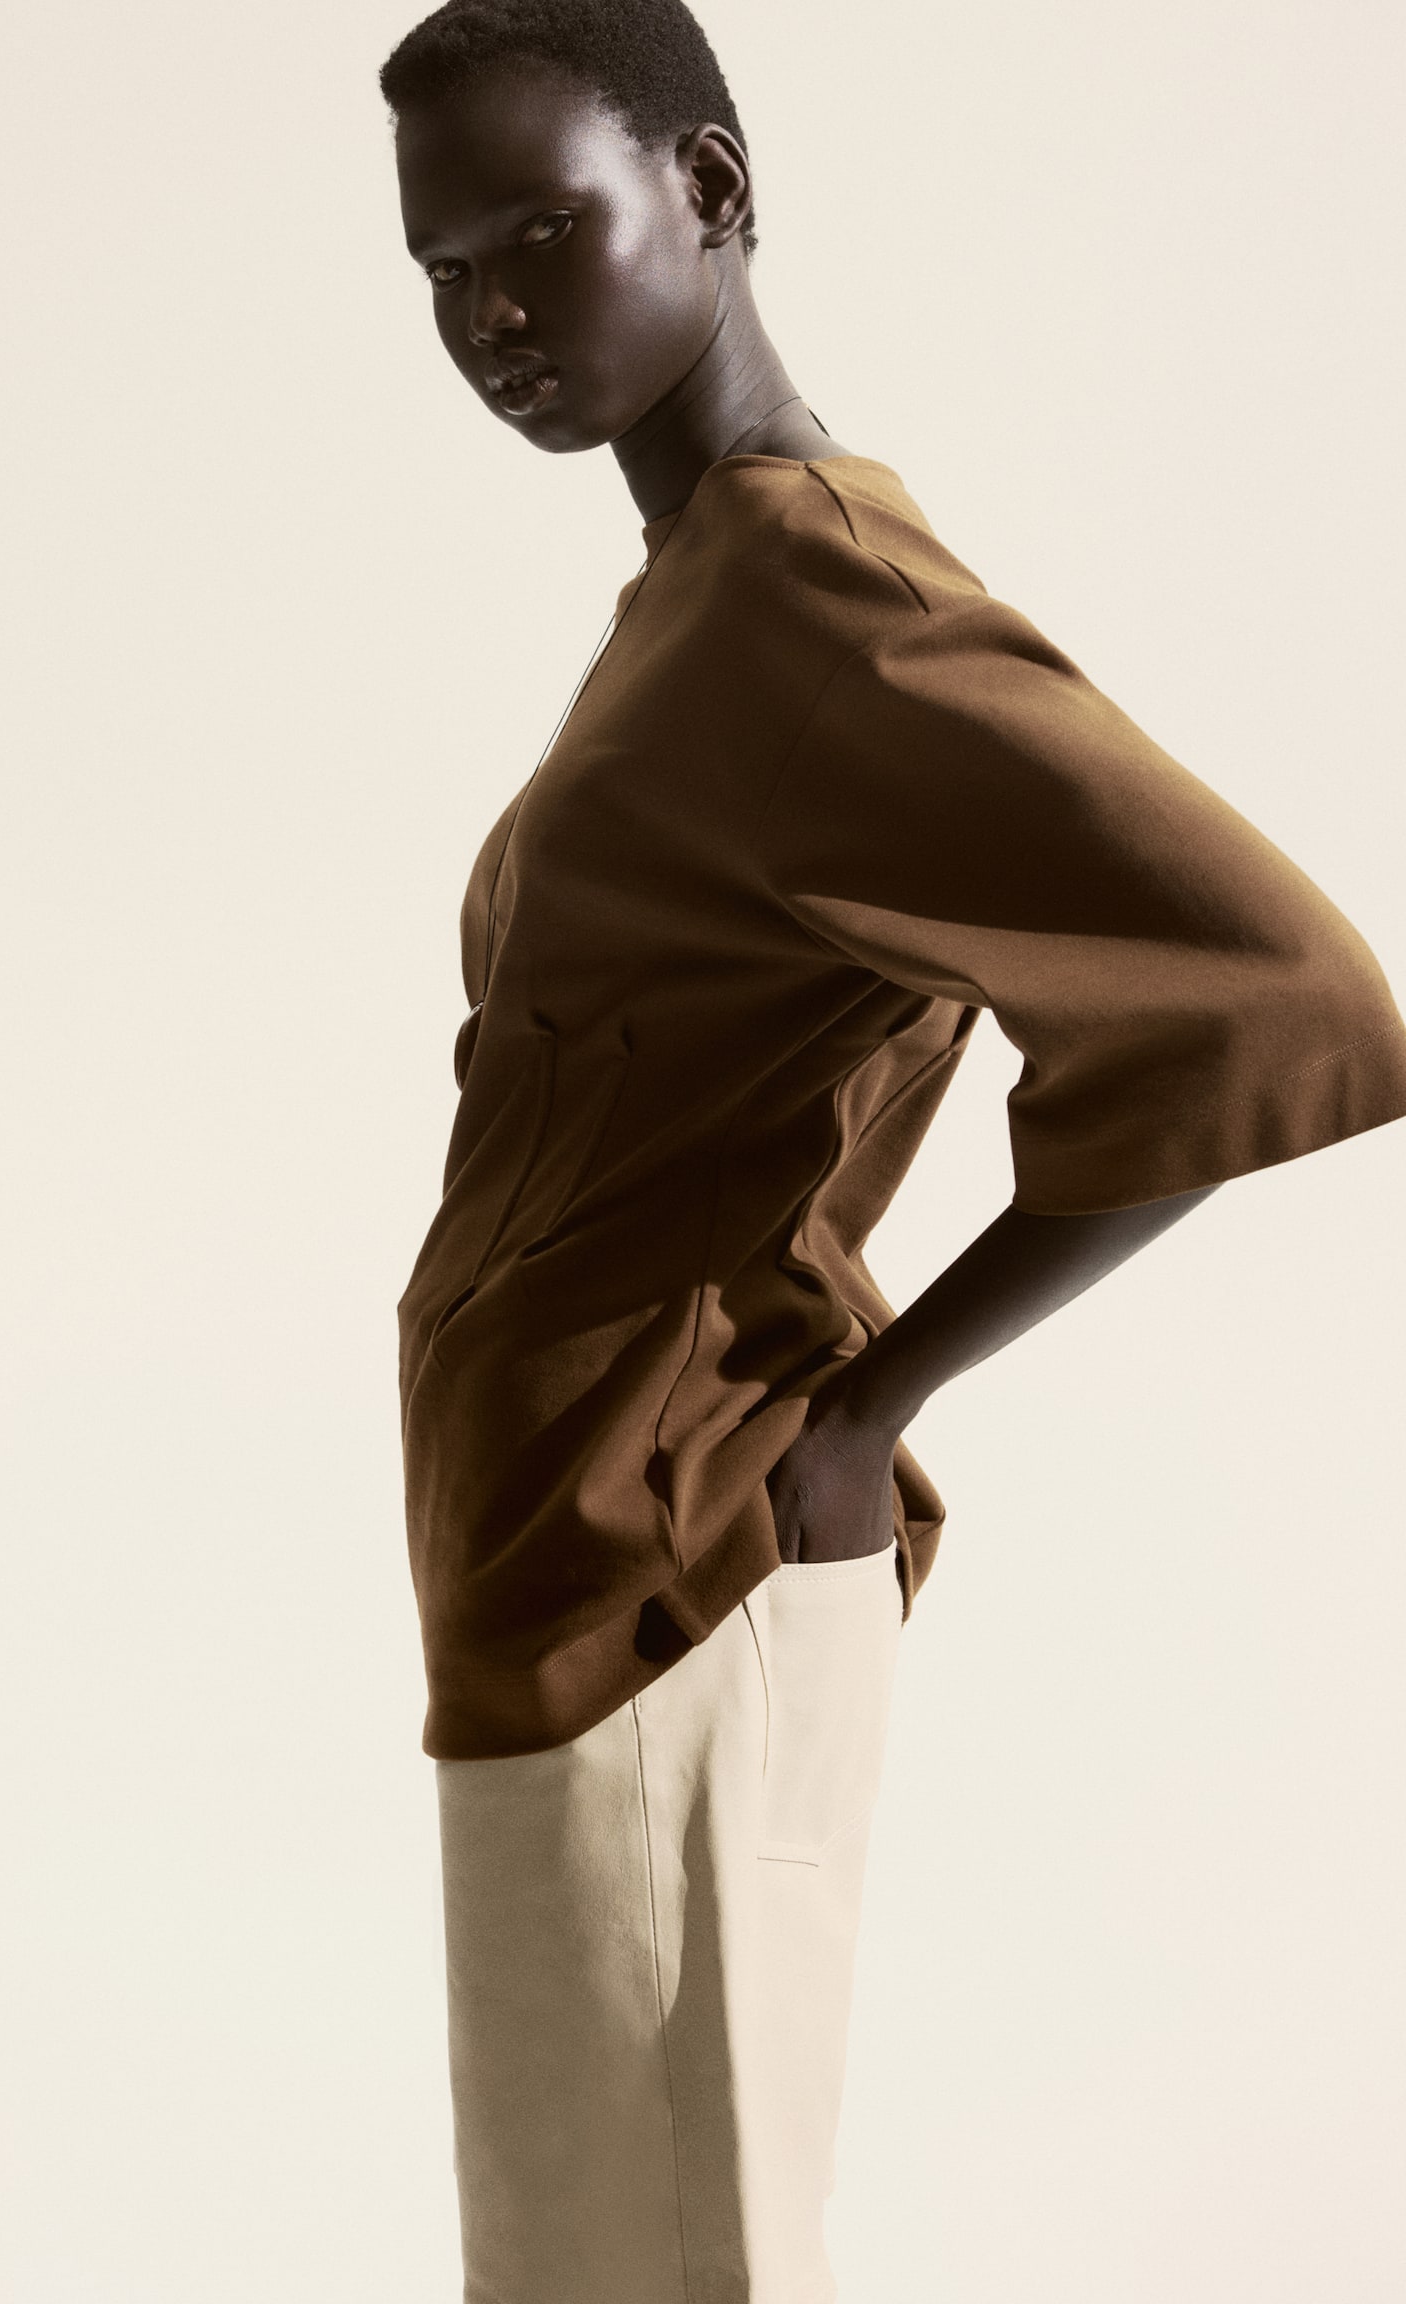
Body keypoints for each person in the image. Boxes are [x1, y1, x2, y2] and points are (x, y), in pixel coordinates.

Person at [378, 3, 1406, 2296]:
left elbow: (1289, 992)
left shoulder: (818, 602)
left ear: (712, 193)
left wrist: (874, 1400)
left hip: (671, 1578)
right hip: (559, 1572)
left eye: (541, 231)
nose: (493, 316)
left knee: (667, 2262)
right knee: (590, 2259)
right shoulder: (702, 597)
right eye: (442, 270)